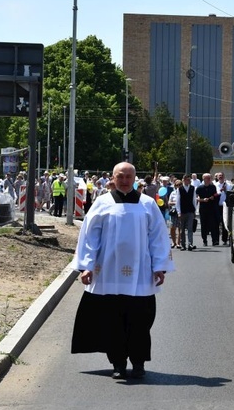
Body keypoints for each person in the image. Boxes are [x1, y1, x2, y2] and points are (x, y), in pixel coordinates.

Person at [70, 162, 174, 379]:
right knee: (112, 320)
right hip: (108, 272)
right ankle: (118, 363)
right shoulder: (102, 203)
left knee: (140, 321)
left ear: (135, 178)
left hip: (140, 274)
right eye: (120, 176)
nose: (125, 180)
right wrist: (86, 267)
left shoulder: (147, 204)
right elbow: (90, 236)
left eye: (128, 177)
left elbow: (158, 236)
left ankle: (138, 363)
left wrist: (160, 267)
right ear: (113, 178)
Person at [196, 173, 220, 246]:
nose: (209, 180)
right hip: (203, 208)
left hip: (211, 208)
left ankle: (214, 240)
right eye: (207, 178)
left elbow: (215, 195)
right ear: (204, 179)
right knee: (204, 225)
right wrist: (203, 200)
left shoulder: (213, 187)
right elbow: (196, 198)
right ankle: (204, 240)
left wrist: (213, 197)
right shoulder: (199, 188)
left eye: (210, 178)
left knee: (213, 224)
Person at [177, 174, 197, 251]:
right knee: (182, 229)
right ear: (184, 180)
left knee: (190, 228)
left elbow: (194, 200)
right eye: (187, 179)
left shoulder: (192, 188)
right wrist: (179, 211)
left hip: (190, 210)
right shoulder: (180, 189)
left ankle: (190, 244)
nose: (189, 181)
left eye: (189, 180)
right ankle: (183, 244)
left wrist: (195, 210)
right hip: (182, 211)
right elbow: (178, 201)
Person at [214, 172, 233, 246]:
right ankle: (215, 240)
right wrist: (220, 191)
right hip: (217, 206)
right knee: (216, 223)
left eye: (222, 176)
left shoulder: (229, 185)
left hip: (225, 206)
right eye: (219, 176)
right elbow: (214, 194)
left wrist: (225, 190)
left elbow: (230, 195)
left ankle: (224, 239)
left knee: (225, 223)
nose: (220, 177)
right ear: (217, 177)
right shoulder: (215, 185)